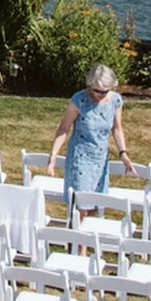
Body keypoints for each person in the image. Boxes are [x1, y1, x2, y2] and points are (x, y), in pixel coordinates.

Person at [46, 62, 135, 204]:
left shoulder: (115, 100)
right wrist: (53, 155)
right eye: (96, 90)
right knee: (80, 205)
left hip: (100, 158)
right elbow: (64, 128)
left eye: (104, 91)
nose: (99, 95)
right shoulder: (79, 100)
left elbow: (117, 128)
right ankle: (74, 226)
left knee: (96, 204)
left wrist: (123, 153)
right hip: (79, 158)